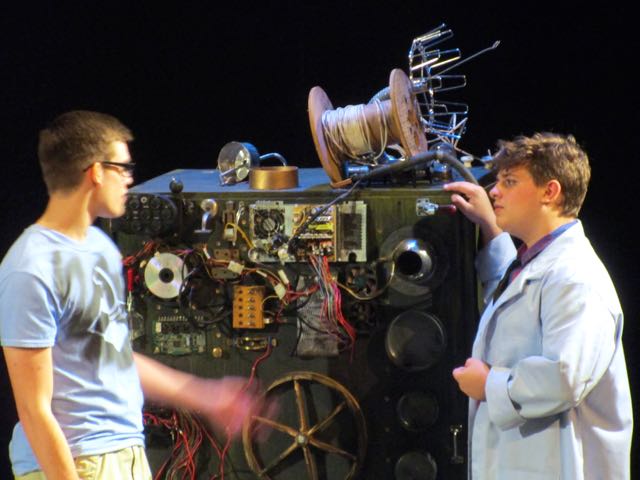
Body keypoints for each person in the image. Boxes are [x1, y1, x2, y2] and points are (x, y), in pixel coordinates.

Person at [0, 111, 260, 479]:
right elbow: (34, 410)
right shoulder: (30, 268)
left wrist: (205, 395)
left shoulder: (99, 248)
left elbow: (114, 357)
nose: (129, 179)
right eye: (122, 168)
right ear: (95, 171)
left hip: (125, 454)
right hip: (76, 462)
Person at [444, 133, 633, 479]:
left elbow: (564, 376)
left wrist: (489, 385)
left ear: (550, 192)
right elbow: (515, 301)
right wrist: (490, 227)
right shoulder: (540, 264)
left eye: (510, 182)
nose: (494, 192)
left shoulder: (576, 277)